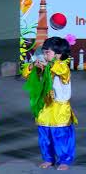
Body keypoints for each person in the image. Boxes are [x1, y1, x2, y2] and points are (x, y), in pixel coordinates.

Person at [22, 37, 77, 170]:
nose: (44, 55)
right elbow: (26, 74)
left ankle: (65, 160)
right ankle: (48, 158)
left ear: (58, 54)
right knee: (44, 134)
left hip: (59, 107)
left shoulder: (63, 66)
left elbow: (60, 70)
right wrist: (32, 66)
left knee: (61, 135)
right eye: (44, 51)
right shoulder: (43, 65)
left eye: (48, 52)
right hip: (45, 106)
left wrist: (48, 65)